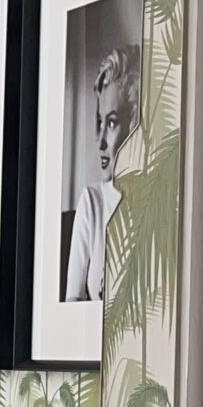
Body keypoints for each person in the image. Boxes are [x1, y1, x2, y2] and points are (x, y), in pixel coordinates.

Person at [66, 43, 141, 303]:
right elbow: (70, 308)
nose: (100, 141)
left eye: (111, 123)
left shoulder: (158, 205)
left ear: (135, 125)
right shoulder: (92, 203)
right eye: (100, 122)